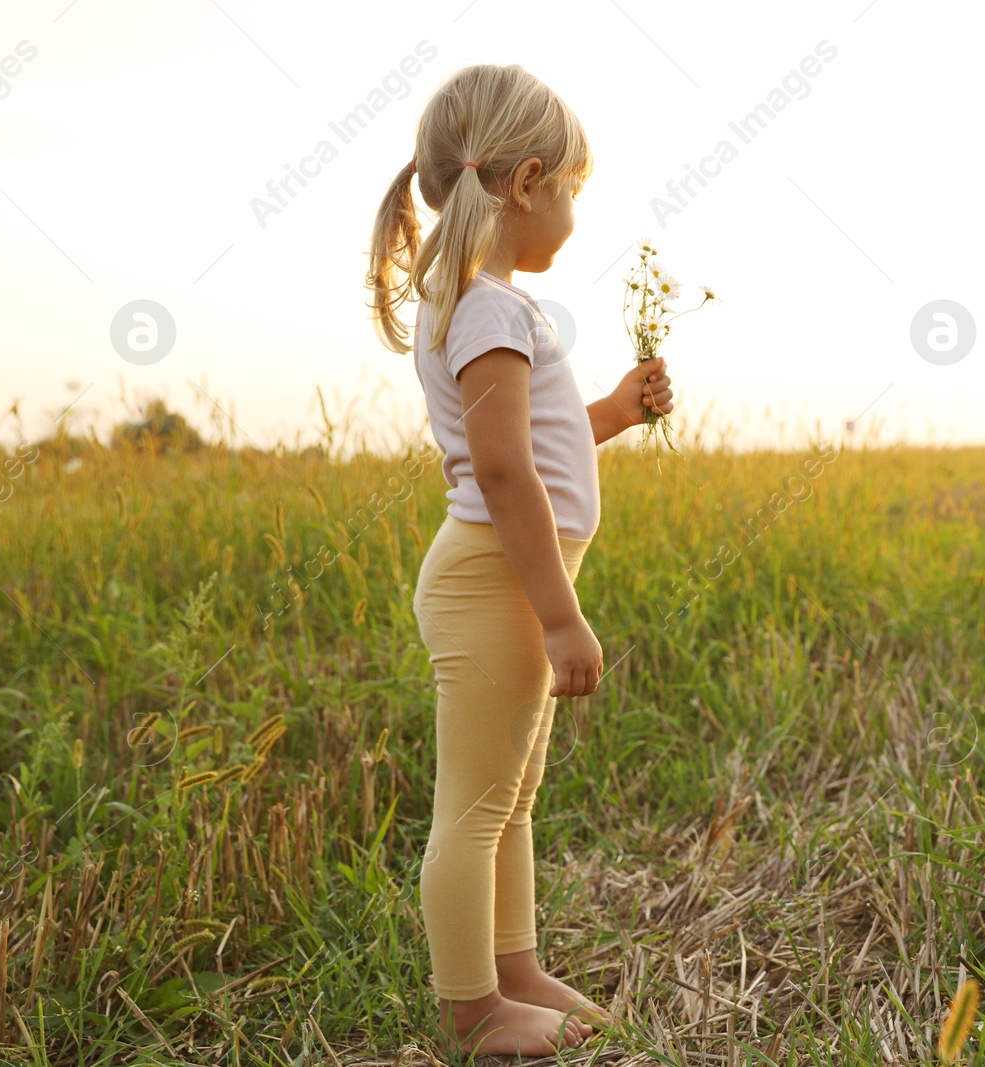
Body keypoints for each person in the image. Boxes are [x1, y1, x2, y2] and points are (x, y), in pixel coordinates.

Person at [365, 62, 673, 1057]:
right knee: (476, 799)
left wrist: (616, 413)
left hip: (505, 578)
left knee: (512, 794)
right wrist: (557, 614)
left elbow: (534, 446)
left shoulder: (483, 302)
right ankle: (470, 1009)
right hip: (495, 582)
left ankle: (512, 966)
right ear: (528, 180)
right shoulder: (492, 310)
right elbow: (503, 475)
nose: (575, 208)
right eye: (574, 188)